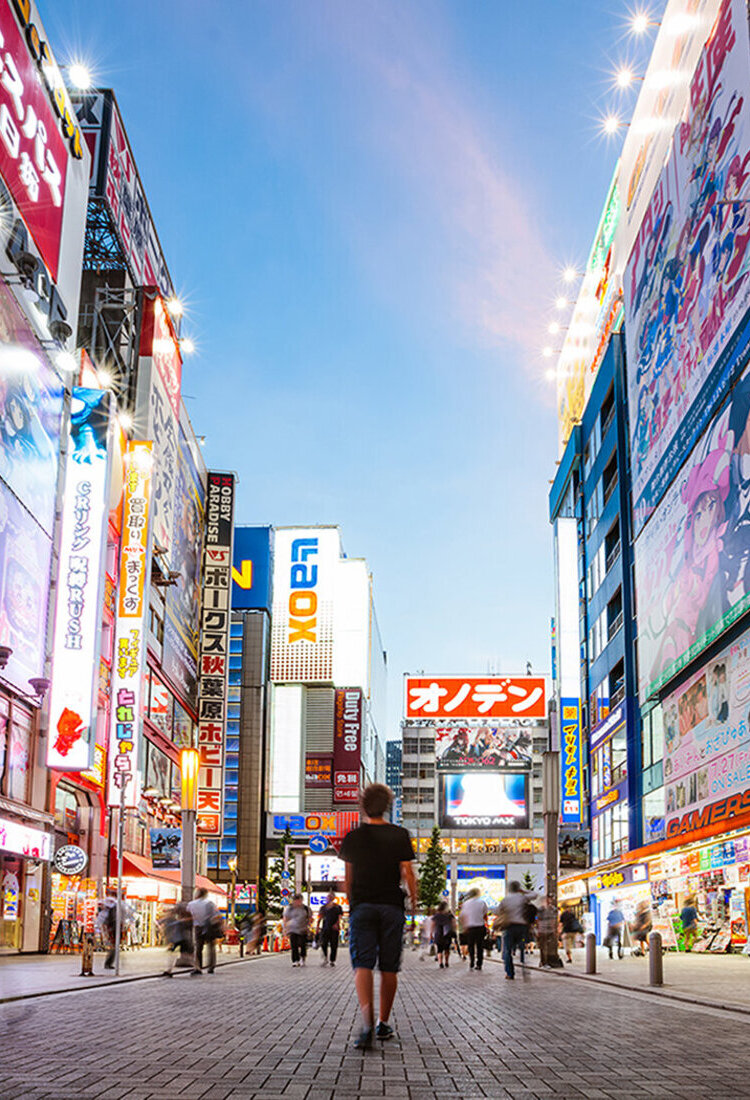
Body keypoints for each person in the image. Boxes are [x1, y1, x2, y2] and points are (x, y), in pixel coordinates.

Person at [339, 782, 417, 1050]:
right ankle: (384, 1022)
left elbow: (347, 878)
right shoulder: (399, 834)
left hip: (363, 905)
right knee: (388, 966)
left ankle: (367, 1022)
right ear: (387, 806)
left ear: (363, 805)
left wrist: (352, 904)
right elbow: (407, 872)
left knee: (362, 964)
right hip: (392, 906)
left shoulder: (353, 837)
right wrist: (414, 903)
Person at [497, 881, 531, 980]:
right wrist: (523, 891)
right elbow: (534, 894)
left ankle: (510, 973)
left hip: (509, 927)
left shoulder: (505, 900)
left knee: (507, 950)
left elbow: (498, 911)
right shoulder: (522, 898)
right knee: (522, 946)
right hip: (522, 927)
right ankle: (524, 964)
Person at [188, 887, 220, 975]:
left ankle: (198, 967)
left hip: (197, 927)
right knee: (211, 947)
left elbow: (189, 915)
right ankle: (211, 966)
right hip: (209, 927)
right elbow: (217, 916)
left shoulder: (191, 904)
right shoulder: (210, 903)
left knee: (198, 948)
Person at [161, 902, 194, 975]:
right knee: (174, 953)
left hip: (182, 938)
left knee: (179, 953)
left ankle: (168, 969)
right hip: (179, 938)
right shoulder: (177, 919)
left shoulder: (184, 919)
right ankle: (168, 970)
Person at [459, 888, 488, 972]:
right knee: (480, 946)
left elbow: (463, 917)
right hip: (480, 927)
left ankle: (471, 961)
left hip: (470, 928)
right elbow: (485, 915)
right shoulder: (482, 902)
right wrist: (487, 925)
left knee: (471, 945)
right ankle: (479, 964)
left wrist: (464, 927)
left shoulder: (466, 904)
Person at [283, 894, 311, 967]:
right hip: (292, 929)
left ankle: (302, 957)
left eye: (299, 900)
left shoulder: (305, 908)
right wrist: (285, 928)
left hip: (303, 929)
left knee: (302, 945)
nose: (298, 902)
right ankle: (295, 960)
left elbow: (310, 918)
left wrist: (308, 925)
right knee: (294, 945)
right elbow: (285, 918)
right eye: (296, 900)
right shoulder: (289, 908)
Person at [317, 892, 343, 967]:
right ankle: (325, 958)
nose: (328, 898)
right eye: (328, 897)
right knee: (323, 943)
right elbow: (320, 917)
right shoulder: (323, 907)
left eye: (330, 897)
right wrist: (317, 927)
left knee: (334, 945)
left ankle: (332, 960)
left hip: (334, 929)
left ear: (333, 898)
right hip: (325, 928)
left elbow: (339, 917)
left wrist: (337, 924)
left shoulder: (337, 907)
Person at [431, 901, 455, 969]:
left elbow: (432, 925)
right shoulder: (450, 915)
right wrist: (453, 931)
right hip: (447, 934)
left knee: (439, 950)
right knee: (447, 949)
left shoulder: (436, 915)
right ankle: (446, 962)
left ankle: (440, 963)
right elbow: (453, 924)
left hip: (438, 934)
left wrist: (431, 934)